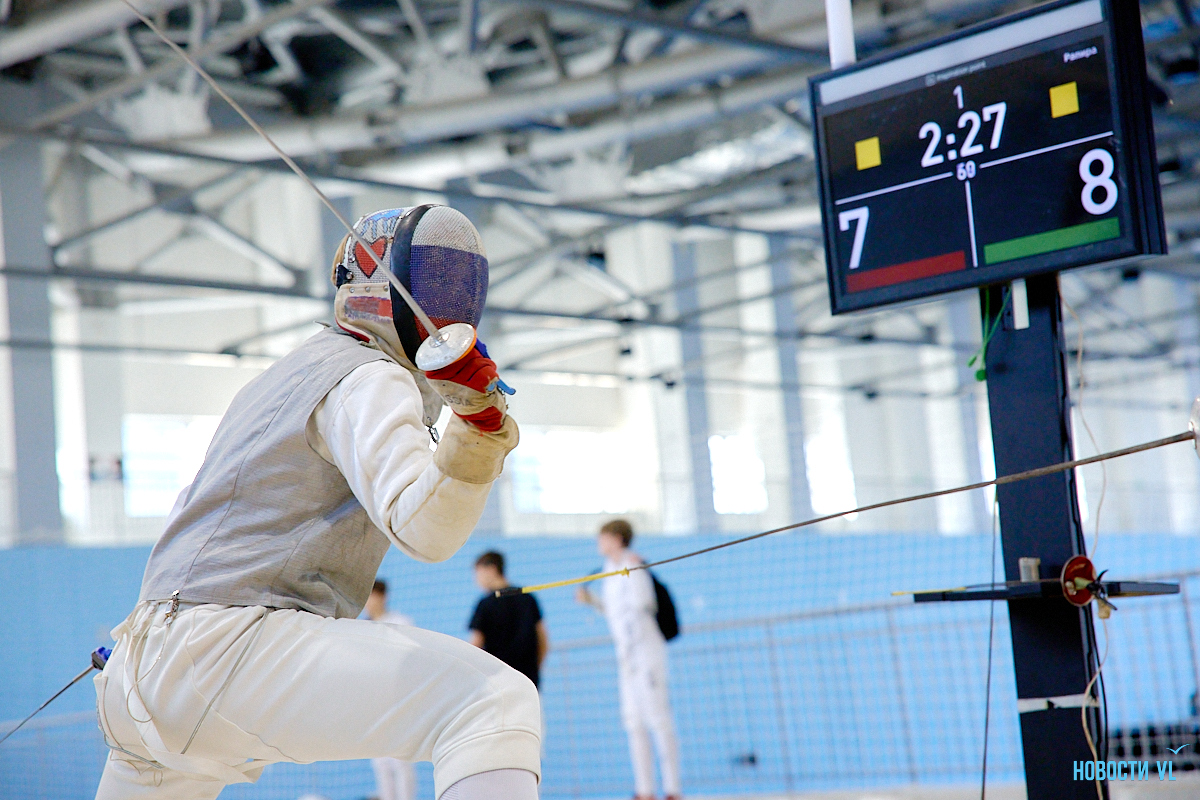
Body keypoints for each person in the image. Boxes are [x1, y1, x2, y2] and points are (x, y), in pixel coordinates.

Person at [92, 205, 541, 800]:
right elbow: (425, 531)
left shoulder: (287, 373)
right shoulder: (367, 374)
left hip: (142, 669)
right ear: (382, 286)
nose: (451, 306)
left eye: (461, 286)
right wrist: (479, 427)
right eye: (435, 283)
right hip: (225, 654)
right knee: (493, 701)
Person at [577, 519, 681, 800]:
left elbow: (642, 605)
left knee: (658, 719)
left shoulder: (634, 565)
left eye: (603, 537)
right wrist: (592, 601)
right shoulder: (608, 570)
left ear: (616, 538)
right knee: (633, 721)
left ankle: (672, 789)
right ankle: (644, 790)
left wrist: (633, 575)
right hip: (626, 658)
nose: (599, 543)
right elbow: (615, 612)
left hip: (646, 652)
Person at [364, 580, 417, 800]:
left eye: (372, 596)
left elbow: (412, 660)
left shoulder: (401, 622)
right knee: (380, 761)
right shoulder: (360, 628)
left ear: (382, 597)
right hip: (374, 701)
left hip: (398, 698)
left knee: (401, 759)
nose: (368, 602)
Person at [469, 551, 548, 689]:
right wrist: (535, 669)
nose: (476, 580)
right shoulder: (527, 598)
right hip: (528, 681)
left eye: (478, 573)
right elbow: (543, 641)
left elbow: (475, 646)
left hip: (499, 682)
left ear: (491, 569)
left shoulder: (485, 604)